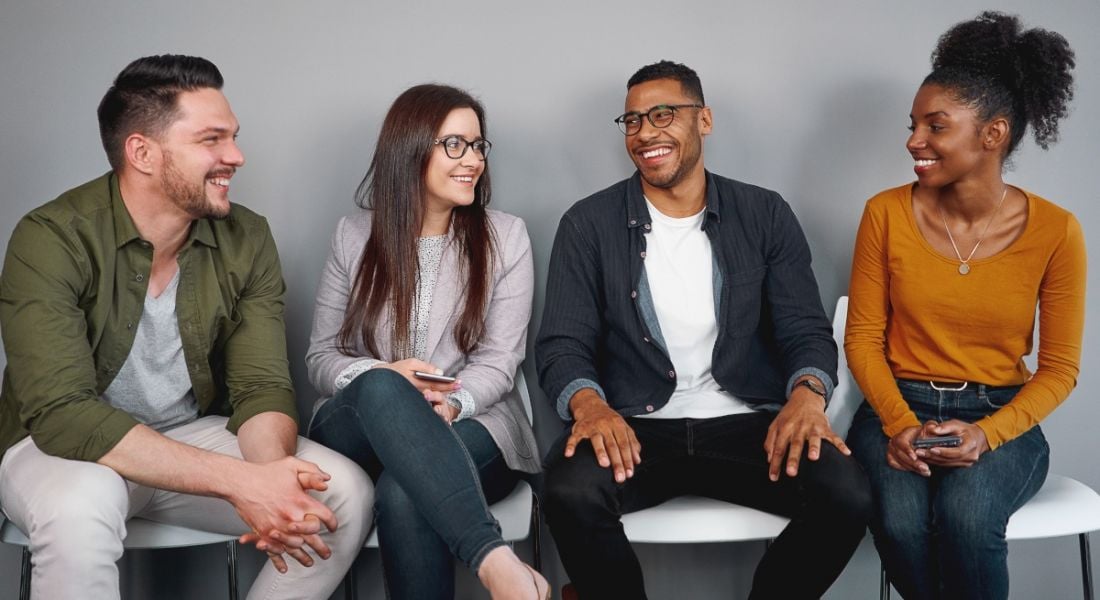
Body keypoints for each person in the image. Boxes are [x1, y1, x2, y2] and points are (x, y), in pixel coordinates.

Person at [0, 55, 372, 599]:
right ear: (142, 153)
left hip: (184, 434)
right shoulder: (50, 238)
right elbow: (63, 415)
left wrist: (272, 482)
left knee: (344, 496)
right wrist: (239, 482)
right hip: (64, 449)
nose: (236, 157)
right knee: (79, 510)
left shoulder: (247, 238)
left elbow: (260, 384)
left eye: (234, 137)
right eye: (211, 140)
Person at [536, 60, 871, 600]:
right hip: (637, 427)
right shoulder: (587, 224)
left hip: (748, 427)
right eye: (632, 120)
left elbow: (805, 330)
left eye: (663, 114)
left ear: (704, 120)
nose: (646, 132)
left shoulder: (764, 213)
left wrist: (808, 397)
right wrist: (590, 407)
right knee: (568, 491)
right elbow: (562, 344)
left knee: (847, 493)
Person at [845, 12, 1083, 600]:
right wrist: (901, 425)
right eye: (913, 125)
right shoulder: (885, 213)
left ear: (993, 134)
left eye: (935, 126)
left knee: (968, 517)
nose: (913, 140)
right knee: (899, 524)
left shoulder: (1057, 231)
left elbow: (1058, 369)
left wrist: (988, 434)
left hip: (998, 412)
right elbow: (862, 338)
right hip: (895, 407)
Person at [305, 83, 547, 600]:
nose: (473, 160)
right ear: (409, 149)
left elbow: (501, 360)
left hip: (473, 421)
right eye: (454, 145)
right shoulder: (353, 236)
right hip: (358, 429)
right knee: (381, 386)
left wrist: (453, 403)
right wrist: (386, 379)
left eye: (478, 145)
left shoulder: (506, 236)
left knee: (404, 493)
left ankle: (495, 566)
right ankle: (496, 560)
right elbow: (321, 357)